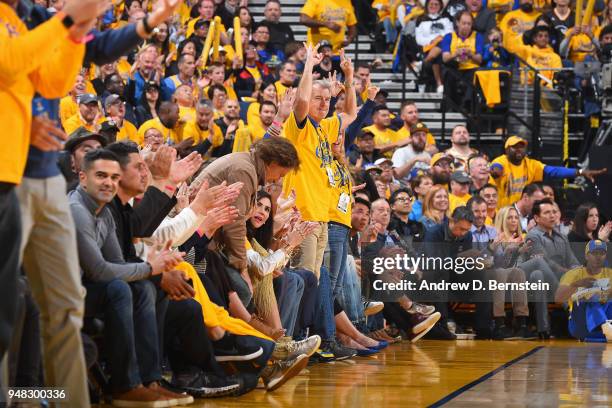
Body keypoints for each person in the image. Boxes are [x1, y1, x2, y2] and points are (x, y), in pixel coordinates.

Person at [70, 149, 202, 406]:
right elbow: (100, 270)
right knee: (122, 288)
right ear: (83, 178)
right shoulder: (77, 210)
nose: (109, 182)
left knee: (141, 288)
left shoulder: (104, 212)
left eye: (112, 176)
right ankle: (124, 385)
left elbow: (117, 263)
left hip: (84, 290)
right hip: (59, 294)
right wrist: (150, 269)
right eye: (101, 176)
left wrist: (151, 272)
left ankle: (148, 380)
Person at [282, 43, 356, 276]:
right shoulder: (298, 128)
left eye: (327, 99)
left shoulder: (324, 127)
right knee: (303, 279)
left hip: (322, 217)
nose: (324, 104)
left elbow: (351, 113)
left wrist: (350, 78)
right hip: (301, 215)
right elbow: (301, 103)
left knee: (313, 284)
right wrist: (308, 67)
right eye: (318, 99)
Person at [491, 136, 606, 208]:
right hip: (503, 212)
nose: (519, 150)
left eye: (521, 147)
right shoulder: (502, 161)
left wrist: (581, 171)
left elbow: (554, 171)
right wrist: (496, 171)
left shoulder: (531, 164)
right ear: (507, 150)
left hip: (524, 211)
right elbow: (496, 167)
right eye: (514, 147)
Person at [555, 240, 612, 342]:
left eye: (602, 253)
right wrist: (577, 284)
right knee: (588, 296)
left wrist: (606, 293)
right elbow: (558, 298)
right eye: (594, 253)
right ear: (586, 256)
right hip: (580, 323)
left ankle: (605, 330)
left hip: (607, 321)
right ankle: (604, 327)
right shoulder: (573, 274)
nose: (598, 257)